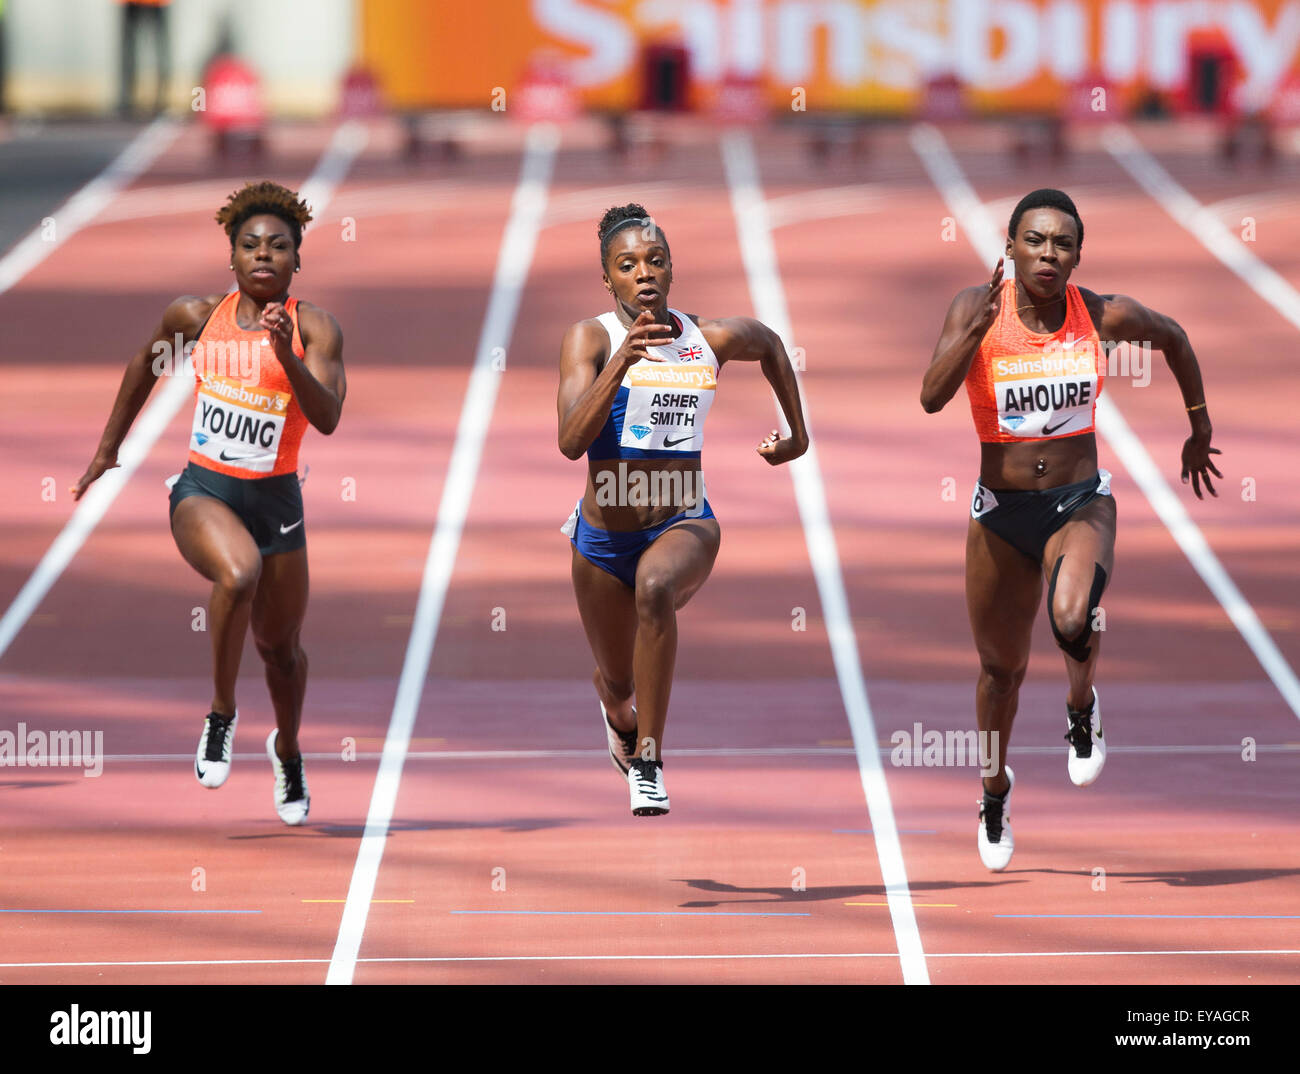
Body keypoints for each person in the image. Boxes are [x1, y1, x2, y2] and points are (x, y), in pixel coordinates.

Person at [921, 188, 1221, 870]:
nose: (1048, 254)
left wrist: (1199, 426)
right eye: (1035, 240)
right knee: (1000, 672)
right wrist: (970, 339)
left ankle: (1082, 708)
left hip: (1079, 502)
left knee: (1070, 613)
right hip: (1000, 515)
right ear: (1011, 246)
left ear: (1078, 256)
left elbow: (1173, 336)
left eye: (1062, 244)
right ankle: (994, 791)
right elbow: (931, 396)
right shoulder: (975, 309)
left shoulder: (1101, 316)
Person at [73, 181, 345, 825]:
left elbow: (328, 417)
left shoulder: (314, 327)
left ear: (297, 261)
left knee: (283, 651)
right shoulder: (195, 318)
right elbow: (144, 364)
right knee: (238, 572)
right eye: (250, 244)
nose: (263, 255)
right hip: (204, 491)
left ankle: (288, 749)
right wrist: (108, 450)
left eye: (279, 246)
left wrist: (287, 355)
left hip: (277, 502)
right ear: (231, 256)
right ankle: (221, 713)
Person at [557, 204, 809, 816]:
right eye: (627, 265)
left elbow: (771, 344)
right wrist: (623, 361)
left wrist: (796, 435)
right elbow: (570, 441)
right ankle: (618, 712)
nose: (643, 273)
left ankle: (649, 759)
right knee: (618, 682)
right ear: (608, 279)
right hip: (602, 534)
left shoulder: (708, 339)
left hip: (682, 520)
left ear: (670, 269)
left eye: (655, 260)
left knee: (655, 588)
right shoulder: (591, 339)